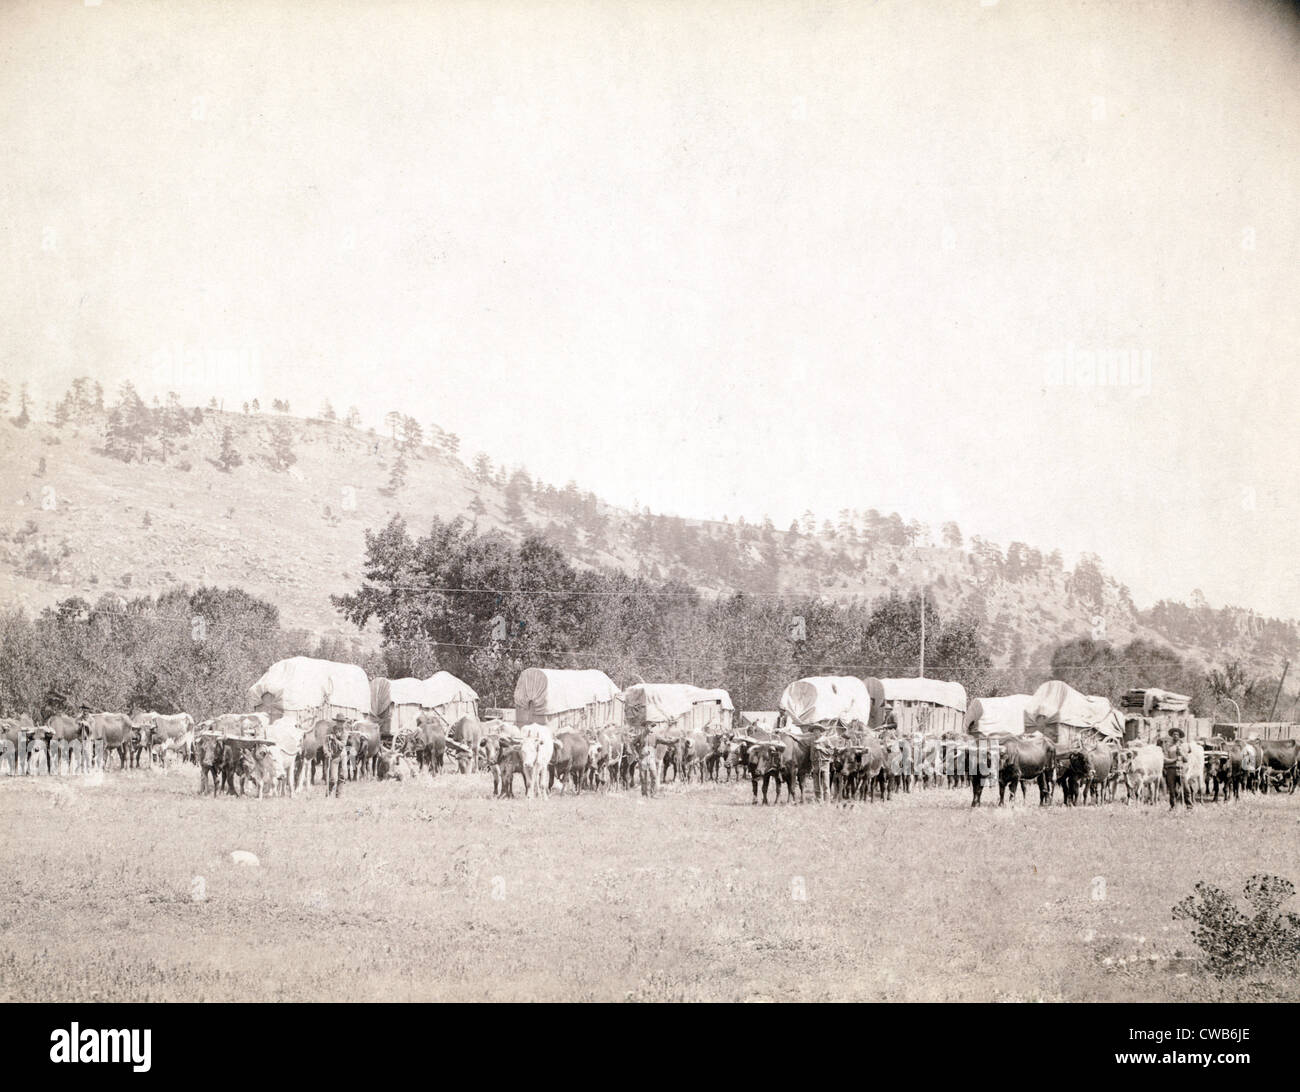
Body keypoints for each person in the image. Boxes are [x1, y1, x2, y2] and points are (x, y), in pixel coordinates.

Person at [1160, 727, 1193, 810]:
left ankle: (1189, 806)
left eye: (1177, 734)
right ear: (1172, 736)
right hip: (1171, 769)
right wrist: (1174, 760)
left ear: (1179, 736)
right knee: (1172, 790)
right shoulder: (1168, 746)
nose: (1175, 736)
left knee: (1186, 788)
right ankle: (1173, 806)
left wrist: (1181, 753)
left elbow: (1186, 759)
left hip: (1181, 769)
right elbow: (1164, 760)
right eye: (1174, 734)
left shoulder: (1183, 746)